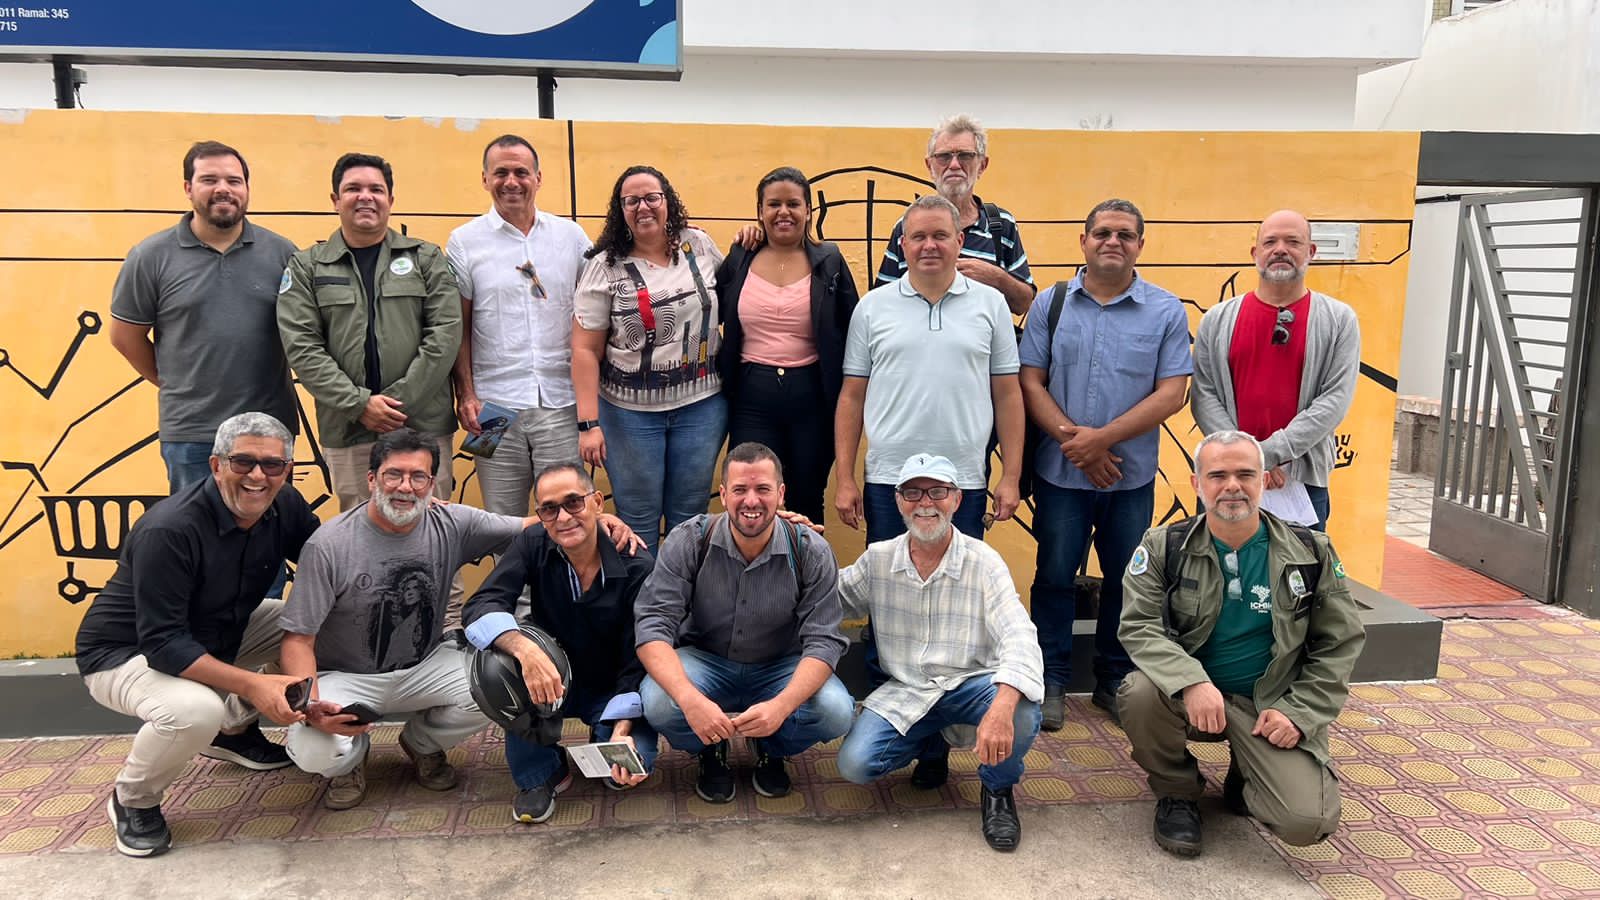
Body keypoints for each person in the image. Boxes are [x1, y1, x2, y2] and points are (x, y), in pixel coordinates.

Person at [278, 428, 642, 809]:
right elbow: (298, 640)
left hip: (425, 663)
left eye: (418, 477)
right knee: (313, 747)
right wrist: (312, 706)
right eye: (393, 475)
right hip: (348, 677)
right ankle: (347, 761)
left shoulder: (451, 522)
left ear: (432, 484)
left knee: (502, 676)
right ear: (372, 479)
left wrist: (601, 521)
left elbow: (537, 524)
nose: (406, 487)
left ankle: (422, 744)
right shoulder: (329, 544)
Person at [75, 412, 320, 857]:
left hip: (218, 630)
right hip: (126, 652)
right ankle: (133, 799)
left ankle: (233, 733)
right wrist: (255, 684)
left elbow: (329, 562)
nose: (258, 477)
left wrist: (391, 521)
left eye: (273, 465)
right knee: (194, 712)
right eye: (243, 462)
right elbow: (164, 643)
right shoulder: (169, 528)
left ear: (287, 469)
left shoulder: (285, 505)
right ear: (216, 465)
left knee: (313, 624)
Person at [1117, 430, 1365, 857]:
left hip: (1270, 704)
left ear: (1265, 480)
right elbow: (1139, 626)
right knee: (1138, 694)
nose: (1232, 486)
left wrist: (1300, 713)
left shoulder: (1310, 551)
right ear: (1197, 484)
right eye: (1217, 475)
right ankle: (1177, 792)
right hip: (1191, 699)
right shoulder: (1164, 546)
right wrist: (1190, 682)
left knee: (1307, 822)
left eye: (1245, 474)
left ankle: (1247, 773)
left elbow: (1339, 644)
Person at [1017, 199, 1193, 731]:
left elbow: (1173, 393)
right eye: (1102, 233)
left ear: (1141, 244)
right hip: (1061, 475)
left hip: (1129, 478)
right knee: (1053, 576)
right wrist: (1077, 444)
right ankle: (1050, 678)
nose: (1112, 242)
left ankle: (1113, 680)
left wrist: (1101, 442)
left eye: (1124, 234)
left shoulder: (1165, 310)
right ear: (1084, 241)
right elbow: (1029, 381)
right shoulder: (1052, 304)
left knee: (1127, 580)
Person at [835, 453, 1044, 852]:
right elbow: (828, 599)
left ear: (957, 500)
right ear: (897, 500)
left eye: (938, 491)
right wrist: (791, 541)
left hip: (970, 684)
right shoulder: (879, 559)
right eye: (912, 492)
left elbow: (1019, 634)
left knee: (1022, 709)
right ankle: (932, 744)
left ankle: (997, 790)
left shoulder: (984, 562)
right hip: (908, 690)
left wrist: (1000, 709)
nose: (925, 502)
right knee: (855, 764)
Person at [635, 442, 854, 803]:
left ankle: (772, 746)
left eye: (763, 489)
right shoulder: (690, 539)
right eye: (739, 489)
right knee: (659, 701)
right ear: (723, 494)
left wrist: (781, 707)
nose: (751, 500)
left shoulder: (810, 550)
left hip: (779, 665)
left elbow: (824, 641)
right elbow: (652, 625)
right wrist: (690, 699)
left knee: (836, 711)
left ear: (781, 494)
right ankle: (710, 747)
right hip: (706, 660)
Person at [462, 462, 657, 824]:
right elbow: (482, 604)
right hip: (551, 678)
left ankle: (610, 734)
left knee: (629, 766)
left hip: (614, 685)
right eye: (549, 508)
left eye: (574, 503)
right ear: (540, 515)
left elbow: (640, 652)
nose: (564, 517)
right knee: (498, 664)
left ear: (598, 502)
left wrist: (623, 729)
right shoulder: (533, 543)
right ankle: (540, 771)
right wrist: (525, 650)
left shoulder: (636, 563)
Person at [109, 142, 300, 493]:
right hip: (192, 433)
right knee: (197, 538)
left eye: (234, 180)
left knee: (266, 536)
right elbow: (125, 337)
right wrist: (176, 383)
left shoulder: (283, 253)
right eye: (209, 179)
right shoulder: (150, 257)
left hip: (269, 431)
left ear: (246, 189)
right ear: (188, 188)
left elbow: (305, 333)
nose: (223, 189)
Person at [277, 152, 462, 513]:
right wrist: (359, 404)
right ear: (335, 200)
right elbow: (302, 345)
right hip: (349, 430)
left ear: (390, 200)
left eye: (376, 189)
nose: (366, 197)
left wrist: (395, 405)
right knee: (359, 538)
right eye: (353, 189)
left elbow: (445, 333)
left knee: (434, 532)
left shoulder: (426, 258)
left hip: (421, 425)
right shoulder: (307, 266)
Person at [836, 194, 1026, 543]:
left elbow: (1008, 395)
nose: (929, 246)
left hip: (963, 478)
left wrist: (1010, 476)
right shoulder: (871, 308)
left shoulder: (992, 305)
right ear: (903, 244)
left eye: (940, 235)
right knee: (887, 586)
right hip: (889, 477)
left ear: (960, 241)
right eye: (919, 237)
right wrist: (845, 479)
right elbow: (852, 397)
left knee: (959, 586)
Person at [572, 165, 726, 553]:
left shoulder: (700, 246)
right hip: (629, 415)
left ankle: (682, 608)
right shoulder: (603, 265)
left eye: (651, 197)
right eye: (632, 200)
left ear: (667, 201)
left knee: (689, 516)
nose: (643, 207)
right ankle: (642, 611)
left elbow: (738, 296)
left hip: (701, 406)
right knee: (636, 518)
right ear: (620, 210)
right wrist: (588, 423)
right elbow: (584, 349)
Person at [1190, 209, 1361, 531]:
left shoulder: (1339, 320)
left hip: (1301, 479)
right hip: (1226, 479)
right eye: (1270, 242)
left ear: (1311, 252)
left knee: (1298, 573)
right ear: (1256, 253)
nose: (1280, 249)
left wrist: (1266, 455)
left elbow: (1334, 399)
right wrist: (1247, 461)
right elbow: (1203, 394)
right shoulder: (1217, 319)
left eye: (1293, 241)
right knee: (1224, 574)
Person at [447, 135, 590, 517]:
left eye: (521, 172)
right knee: (501, 522)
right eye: (501, 173)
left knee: (567, 518)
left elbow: (595, 315)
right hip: (491, 408)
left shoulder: (571, 238)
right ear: (484, 179)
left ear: (539, 178)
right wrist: (466, 394)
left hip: (560, 402)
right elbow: (458, 327)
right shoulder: (463, 242)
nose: (511, 181)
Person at [716, 166, 860, 523]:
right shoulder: (740, 257)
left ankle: (806, 576)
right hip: (752, 397)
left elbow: (854, 325)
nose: (783, 212)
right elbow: (707, 307)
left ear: (808, 210)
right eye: (773, 204)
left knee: (808, 497)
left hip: (813, 398)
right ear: (759, 212)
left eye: (793, 204)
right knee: (755, 495)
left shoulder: (830, 261)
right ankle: (759, 577)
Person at [875, 114, 1036, 316]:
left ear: (982, 165)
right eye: (943, 156)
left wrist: (996, 278)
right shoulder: (907, 226)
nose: (954, 165)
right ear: (929, 166)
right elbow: (882, 302)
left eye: (965, 156)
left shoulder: (1001, 225)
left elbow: (1024, 304)